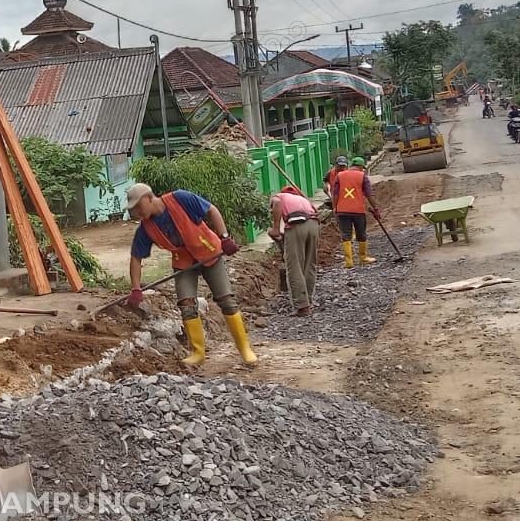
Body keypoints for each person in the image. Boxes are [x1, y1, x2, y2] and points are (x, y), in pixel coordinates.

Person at [123, 183, 256, 367]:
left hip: (209, 253)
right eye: (133, 210)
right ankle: (198, 353)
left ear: (148, 198)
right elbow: (136, 258)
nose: (137, 212)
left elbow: (212, 210)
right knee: (186, 305)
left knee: (226, 300)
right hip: (183, 263)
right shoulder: (146, 229)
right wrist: (136, 288)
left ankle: (245, 350)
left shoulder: (180, 198)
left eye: (138, 206)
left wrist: (224, 237)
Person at [268, 185, 321, 316]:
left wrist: (274, 229)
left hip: (296, 224)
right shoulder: (303, 199)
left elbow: (277, 203)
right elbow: (316, 212)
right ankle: (308, 300)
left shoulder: (279, 197)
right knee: (310, 264)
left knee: (294, 266)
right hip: (314, 225)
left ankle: (302, 306)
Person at [329, 157, 381, 268]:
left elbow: (335, 194)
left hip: (342, 211)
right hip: (358, 210)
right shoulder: (363, 176)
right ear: (361, 167)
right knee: (361, 233)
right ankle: (363, 258)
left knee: (346, 235)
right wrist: (376, 209)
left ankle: (349, 262)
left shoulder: (340, 175)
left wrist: (335, 208)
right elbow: (369, 194)